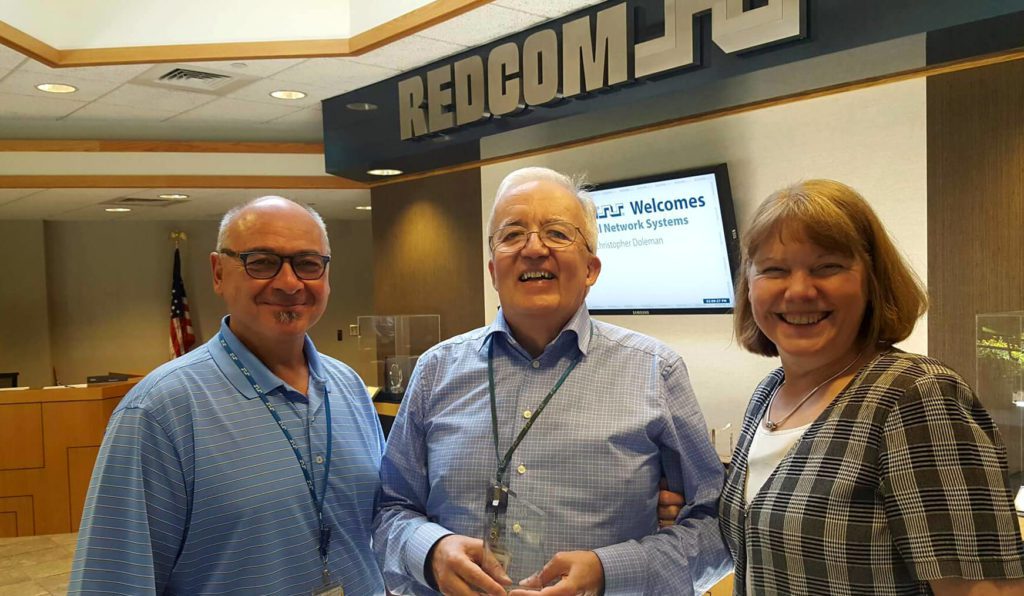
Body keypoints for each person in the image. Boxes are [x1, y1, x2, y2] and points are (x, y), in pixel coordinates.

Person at [373, 167, 731, 596]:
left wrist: (610, 571)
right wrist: (430, 552)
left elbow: (716, 528)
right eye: (512, 234)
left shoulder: (657, 371)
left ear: (591, 268)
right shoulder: (435, 372)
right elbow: (390, 510)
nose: (534, 248)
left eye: (558, 234)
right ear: (492, 269)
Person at [719, 179, 1024, 594]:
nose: (800, 290)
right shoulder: (768, 394)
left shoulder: (917, 396)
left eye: (827, 267)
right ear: (750, 286)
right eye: (774, 270)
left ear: (871, 281)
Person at [69, 197, 386, 595]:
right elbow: (111, 583)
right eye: (262, 262)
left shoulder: (348, 387)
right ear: (218, 273)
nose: (289, 283)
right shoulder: (158, 412)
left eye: (307, 263)